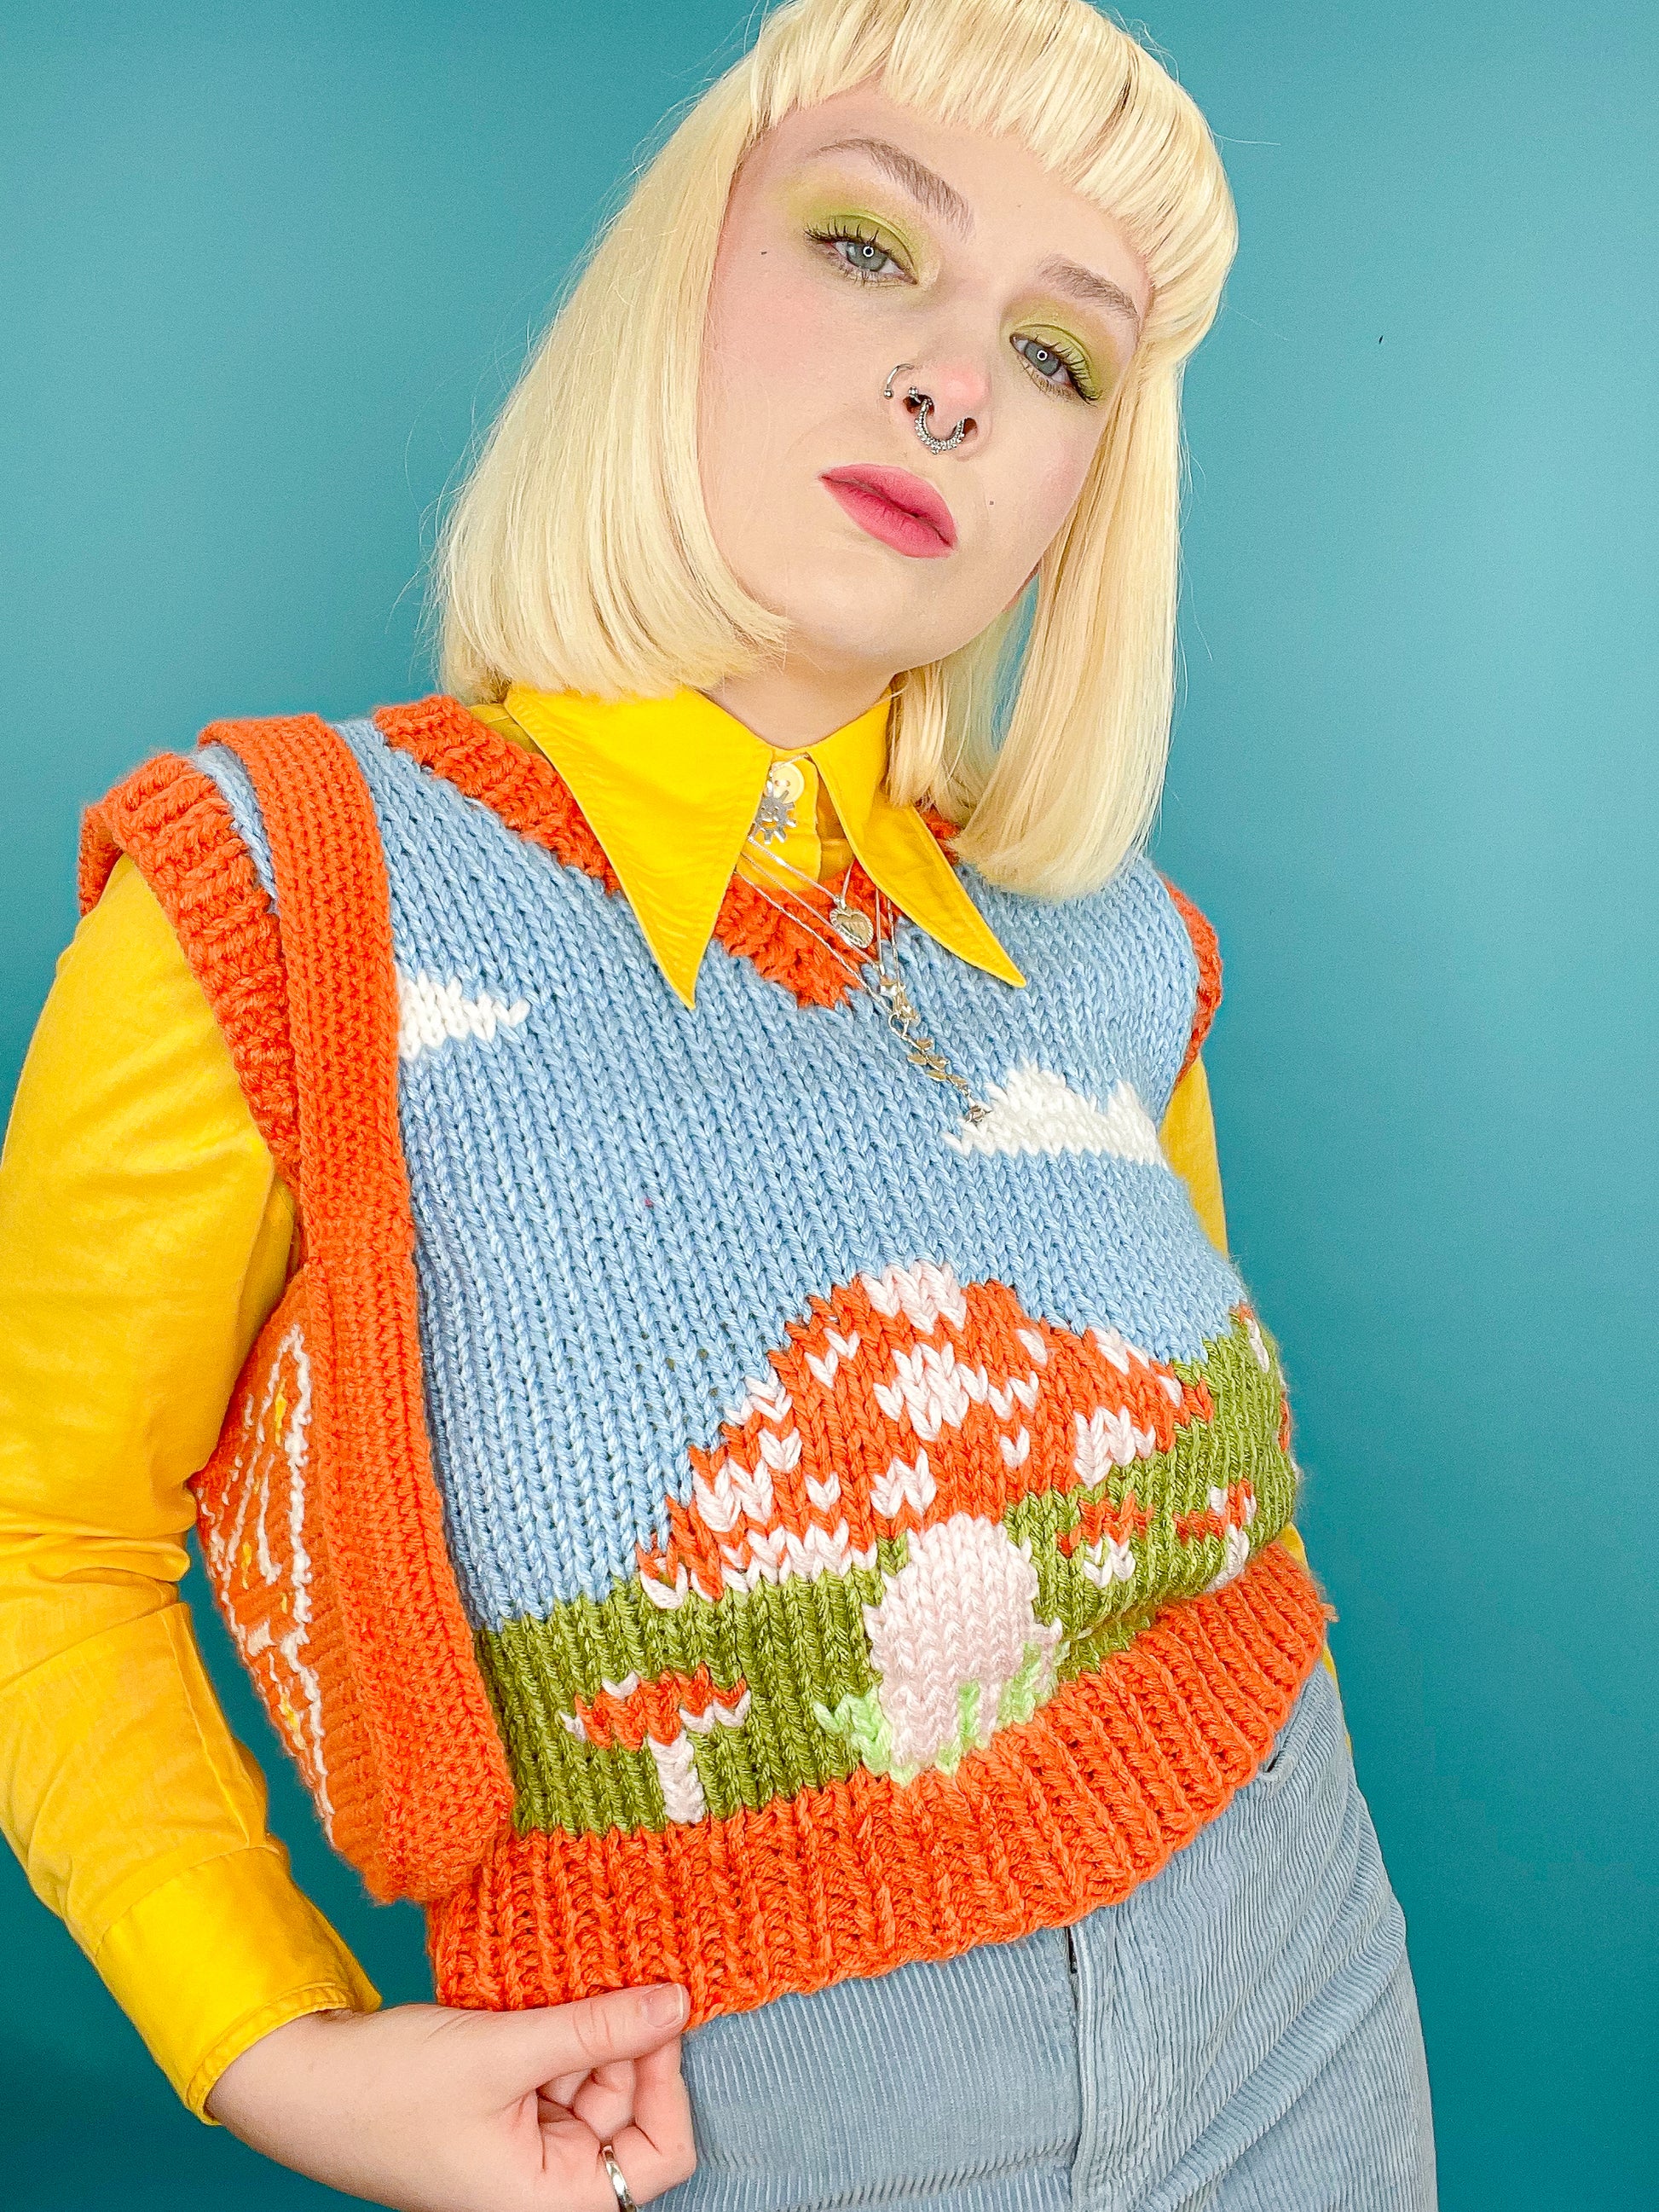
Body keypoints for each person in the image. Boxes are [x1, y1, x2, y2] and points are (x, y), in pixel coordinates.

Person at [0, 0, 1436, 2204]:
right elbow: (38, 1535)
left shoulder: (1121, 938)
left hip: (1304, 1992)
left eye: (1062, 356)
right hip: (739, 2123)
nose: (955, 378)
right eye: (870, 247)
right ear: (676, 272)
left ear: (1083, 490)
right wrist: (271, 2038)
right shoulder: (273, 892)